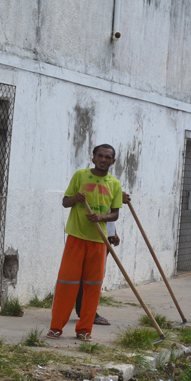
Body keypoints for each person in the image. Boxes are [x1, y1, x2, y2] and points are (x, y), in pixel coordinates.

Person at [47, 144, 123, 341]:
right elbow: (65, 202)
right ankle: (56, 327)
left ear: (113, 162)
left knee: (93, 286)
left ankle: (84, 330)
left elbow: (115, 213)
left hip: (99, 241)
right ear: (93, 158)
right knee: (66, 283)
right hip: (76, 238)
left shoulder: (114, 184)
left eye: (108, 157)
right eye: (100, 156)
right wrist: (75, 198)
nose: (103, 159)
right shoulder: (80, 176)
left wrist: (101, 217)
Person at [73, 191, 131, 326]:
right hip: (95, 237)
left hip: (105, 235)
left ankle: (85, 310)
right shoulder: (97, 184)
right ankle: (86, 312)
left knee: (95, 275)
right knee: (91, 276)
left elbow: (107, 211)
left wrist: (113, 233)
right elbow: (97, 205)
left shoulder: (111, 183)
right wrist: (116, 197)